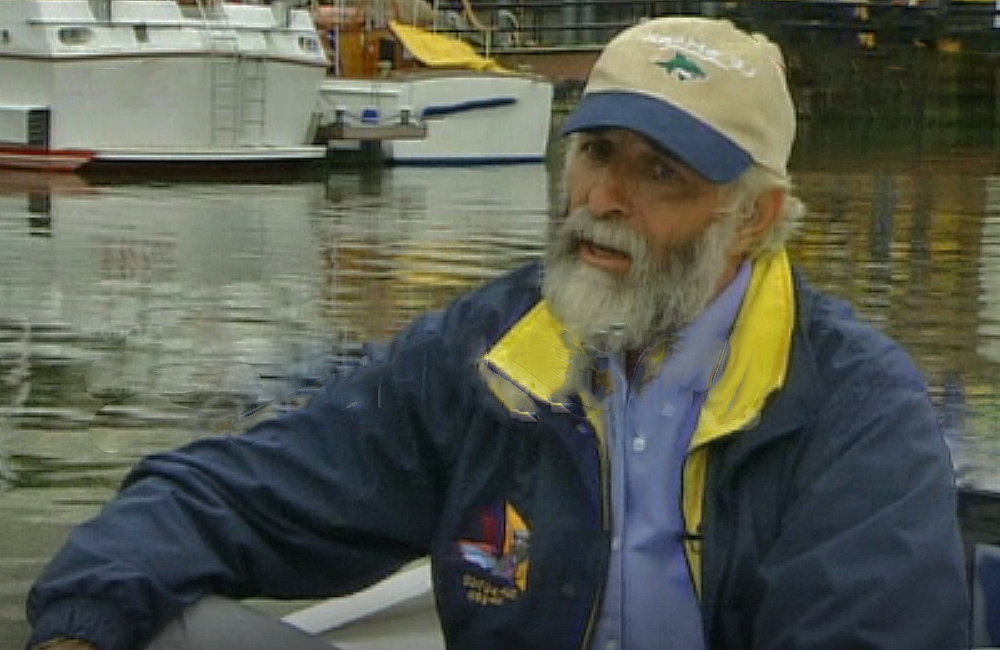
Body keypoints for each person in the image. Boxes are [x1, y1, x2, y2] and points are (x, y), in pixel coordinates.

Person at [26, 16, 969, 650]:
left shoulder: (851, 410)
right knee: (167, 625)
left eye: (661, 175)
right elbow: (230, 496)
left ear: (756, 220)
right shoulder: (494, 346)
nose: (604, 200)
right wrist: (76, 625)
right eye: (596, 153)